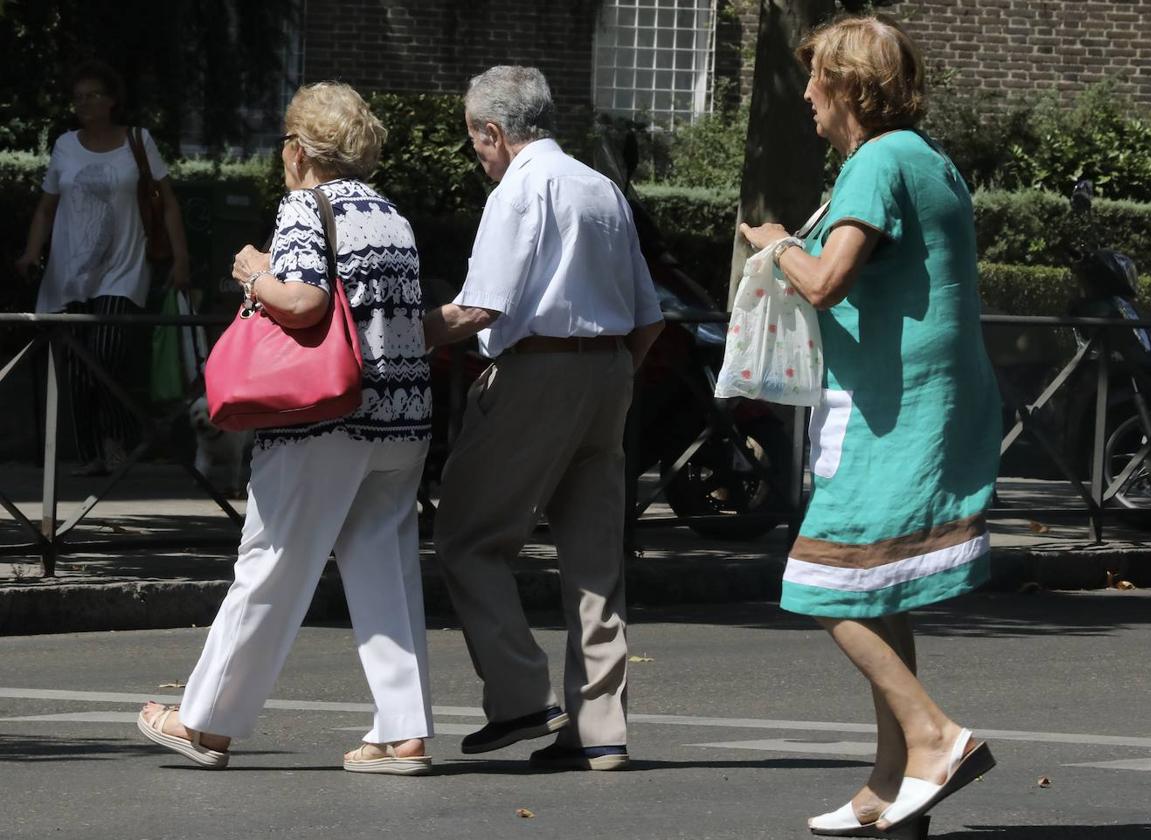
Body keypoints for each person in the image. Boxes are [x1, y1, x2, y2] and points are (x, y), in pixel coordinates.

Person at [739, 15, 1001, 835]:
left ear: (849, 85)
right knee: (879, 587)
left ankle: (933, 739)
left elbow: (824, 282)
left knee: (820, 581)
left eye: (817, 79)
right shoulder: (925, 158)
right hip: (919, 400)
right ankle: (893, 788)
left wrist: (777, 242)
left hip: (890, 408)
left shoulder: (875, 161)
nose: (807, 95)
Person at [137, 82, 435, 776]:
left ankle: (205, 723)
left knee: (269, 565)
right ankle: (403, 731)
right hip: (401, 420)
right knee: (385, 570)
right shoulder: (390, 213)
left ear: (297, 150)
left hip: (323, 423)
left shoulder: (306, 204)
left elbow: (301, 303)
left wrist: (253, 273)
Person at [423, 65, 664, 771]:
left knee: (467, 536)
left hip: (538, 370)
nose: (478, 155)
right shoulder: (600, 187)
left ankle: (520, 693)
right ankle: (600, 729)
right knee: (594, 556)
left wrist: (392, 332)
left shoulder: (520, 189)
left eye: (476, 141)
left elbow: (478, 308)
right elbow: (648, 315)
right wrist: (607, 373)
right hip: (610, 366)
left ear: (493, 132)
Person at [14, 60, 190, 476]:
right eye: (78, 97)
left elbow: (166, 202)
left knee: (105, 354)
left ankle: (122, 439)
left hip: (123, 268)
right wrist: (29, 251)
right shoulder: (64, 146)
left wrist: (180, 258)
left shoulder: (138, 141)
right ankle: (95, 453)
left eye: (93, 95)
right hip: (69, 272)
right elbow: (46, 207)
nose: (84, 103)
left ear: (112, 101)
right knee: (76, 367)